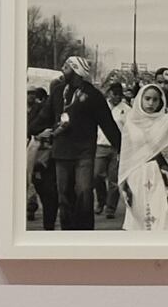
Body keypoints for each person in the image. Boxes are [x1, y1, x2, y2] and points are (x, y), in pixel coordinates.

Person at [33, 50, 115, 232]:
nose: (63, 68)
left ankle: (84, 232)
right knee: (64, 196)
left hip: (84, 153)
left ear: (76, 70)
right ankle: (68, 232)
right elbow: (43, 117)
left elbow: (108, 124)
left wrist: (122, 149)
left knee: (84, 192)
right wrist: (31, 129)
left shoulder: (93, 95)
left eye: (67, 66)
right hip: (61, 153)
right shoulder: (57, 92)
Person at [113, 76, 168, 233]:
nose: (151, 103)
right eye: (147, 99)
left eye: (155, 100)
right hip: (136, 175)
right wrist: (122, 184)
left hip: (159, 173)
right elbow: (126, 155)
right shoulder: (131, 122)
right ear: (140, 99)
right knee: (139, 218)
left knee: (162, 216)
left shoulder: (165, 119)